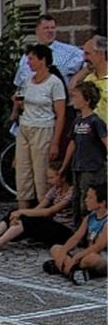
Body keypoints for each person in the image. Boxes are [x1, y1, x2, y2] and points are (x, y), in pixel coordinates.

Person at [0, 162, 73, 258]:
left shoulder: (71, 192)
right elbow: (39, 208)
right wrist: (21, 214)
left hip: (66, 230)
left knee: (23, 217)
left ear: (63, 177)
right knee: (16, 213)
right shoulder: (55, 189)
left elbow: (49, 211)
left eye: (52, 177)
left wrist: (22, 212)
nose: (49, 181)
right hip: (54, 224)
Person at [10, 44, 67, 210]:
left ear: (42, 60)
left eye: (31, 59)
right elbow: (25, 106)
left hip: (43, 128)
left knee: (41, 172)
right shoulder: (28, 81)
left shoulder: (54, 83)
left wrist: (55, 142)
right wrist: (17, 104)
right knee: (23, 171)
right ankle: (22, 213)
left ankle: (43, 212)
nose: (29, 63)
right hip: (25, 127)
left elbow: (60, 114)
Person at [61, 81, 107, 226]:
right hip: (78, 166)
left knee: (86, 201)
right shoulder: (77, 121)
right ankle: (77, 231)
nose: (73, 100)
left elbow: (105, 140)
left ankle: (88, 231)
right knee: (76, 199)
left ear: (86, 100)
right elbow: (72, 143)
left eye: (76, 97)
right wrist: (64, 166)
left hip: (92, 168)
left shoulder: (95, 122)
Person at [45, 184, 107, 285]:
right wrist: (63, 252)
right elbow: (76, 237)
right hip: (86, 252)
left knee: (92, 259)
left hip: (102, 256)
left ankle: (64, 267)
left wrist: (77, 257)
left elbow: (99, 246)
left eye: (90, 197)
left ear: (102, 203)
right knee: (55, 248)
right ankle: (73, 271)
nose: (86, 200)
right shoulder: (90, 217)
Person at [14, 14, 85, 94]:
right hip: (32, 102)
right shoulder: (27, 56)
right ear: (37, 31)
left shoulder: (70, 51)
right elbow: (19, 85)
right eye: (46, 28)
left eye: (52, 28)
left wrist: (75, 80)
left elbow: (89, 63)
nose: (50, 31)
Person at [70, 35, 107, 120]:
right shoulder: (88, 79)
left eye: (87, 54)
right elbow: (73, 91)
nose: (84, 58)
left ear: (101, 54)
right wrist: (85, 70)